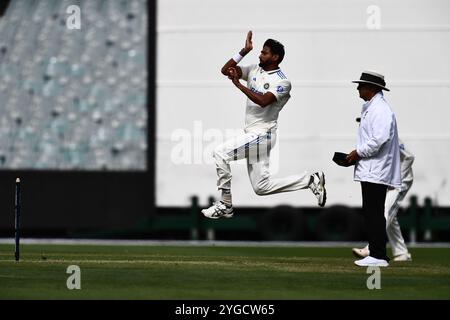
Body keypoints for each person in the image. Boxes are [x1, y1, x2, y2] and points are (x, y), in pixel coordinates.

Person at [202, 31, 326, 219]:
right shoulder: (254, 69)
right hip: (253, 133)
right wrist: (243, 51)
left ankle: (225, 203)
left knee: (220, 153)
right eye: (260, 52)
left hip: (263, 134)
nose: (260, 55)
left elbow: (263, 101)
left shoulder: (283, 82)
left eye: (264, 53)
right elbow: (225, 70)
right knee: (261, 187)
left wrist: (239, 85)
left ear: (275, 57)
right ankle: (310, 180)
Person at [346, 70, 401, 267]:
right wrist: (356, 155)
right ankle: (376, 254)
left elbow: (379, 139)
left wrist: (357, 153)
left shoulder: (381, 110)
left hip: (377, 169)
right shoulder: (372, 107)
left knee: (374, 213)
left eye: (361, 85)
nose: (358, 88)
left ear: (372, 88)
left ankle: (378, 256)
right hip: (372, 168)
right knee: (371, 212)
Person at [352, 140, 414, 261]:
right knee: (391, 214)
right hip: (389, 180)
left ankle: (372, 247)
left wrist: (399, 178)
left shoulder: (392, 139)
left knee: (385, 210)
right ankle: (401, 252)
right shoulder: (372, 139)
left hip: (401, 181)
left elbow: (409, 157)